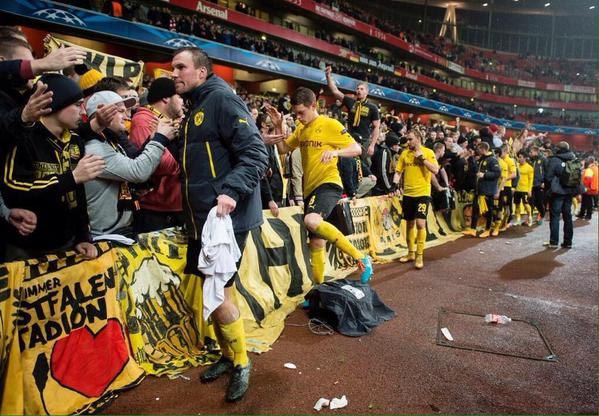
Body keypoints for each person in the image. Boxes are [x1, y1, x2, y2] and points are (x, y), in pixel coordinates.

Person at [171, 47, 268, 402]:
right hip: (202, 219)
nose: (174, 74)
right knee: (212, 289)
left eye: (180, 67)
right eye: (172, 68)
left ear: (201, 72)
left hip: (226, 218)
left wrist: (230, 191)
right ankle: (228, 355)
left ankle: (241, 362)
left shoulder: (222, 100)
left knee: (220, 290)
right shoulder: (196, 106)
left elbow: (256, 154)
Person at [265, 87, 373, 284]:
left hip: (328, 184)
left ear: (313, 105)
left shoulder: (329, 124)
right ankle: (318, 290)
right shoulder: (301, 128)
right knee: (316, 243)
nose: (298, 117)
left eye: (301, 112)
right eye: (296, 113)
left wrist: (336, 152)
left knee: (312, 221)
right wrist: (279, 125)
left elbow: (357, 148)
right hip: (310, 190)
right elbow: (283, 149)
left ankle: (361, 257)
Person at [1, 73, 105, 260]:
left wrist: (83, 236)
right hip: (26, 247)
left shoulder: (75, 140)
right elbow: (13, 189)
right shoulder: (24, 136)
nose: (83, 111)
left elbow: (77, 195)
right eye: (77, 104)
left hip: (67, 242)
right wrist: (71, 178)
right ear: (56, 104)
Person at [84, 90, 177, 238]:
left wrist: (151, 139)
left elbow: (132, 162)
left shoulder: (111, 142)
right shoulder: (95, 148)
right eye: (120, 111)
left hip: (117, 230)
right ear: (101, 113)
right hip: (104, 235)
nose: (127, 116)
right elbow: (138, 172)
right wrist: (159, 139)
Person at [129, 77, 185, 232]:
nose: (183, 102)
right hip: (155, 210)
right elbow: (164, 165)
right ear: (166, 98)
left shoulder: (171, 122)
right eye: (179, 97)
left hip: (174, 205)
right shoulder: (144, 120)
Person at [392, 129, 439, 269]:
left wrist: (422, 160)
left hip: (422, 193)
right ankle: (411, 253)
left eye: (410, 139)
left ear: (418, 138)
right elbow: (398, 172)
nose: (408, 142)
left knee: (420, 224)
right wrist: (394, 185)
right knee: (409, 224)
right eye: (407, 139)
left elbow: (435, 170)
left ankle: (419, 255)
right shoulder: (405, 153)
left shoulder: (428, 152)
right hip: (408, 194)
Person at [325, 66, 380, 165]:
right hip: (350, 138)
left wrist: (372, 145)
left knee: (364, 165)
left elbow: (376, 127)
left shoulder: (373, 108)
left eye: (362, 89)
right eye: (357, 89)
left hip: (364, 140)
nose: (359, 91)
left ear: (367, 92)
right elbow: (335, 91)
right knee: (347, 163)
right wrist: (328, 76)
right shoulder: (350, 101)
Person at [462, 142, 501, 238]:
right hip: (479, 190)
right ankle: (473, 230)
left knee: (488, 211)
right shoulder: (482, 159)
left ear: (484, 149)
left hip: (488, 191)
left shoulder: (492, 160)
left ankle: (488, 229)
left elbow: (497, 173)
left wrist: (485, 175)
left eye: (479, 149)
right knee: (475, 210)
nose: (477, 151)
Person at [544, 141, 578, 248]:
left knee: (555, 217)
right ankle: (568, 242)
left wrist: (549, 189)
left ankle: (554, 242)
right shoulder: (573, 158)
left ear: (558, 149)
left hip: (557, 193)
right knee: (567, 217)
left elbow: (548, 177)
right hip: (569, 192)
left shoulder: (554, 160)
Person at [513, 150, 534, 226]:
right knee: (517, 205)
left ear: (525, 158)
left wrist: (529, 190)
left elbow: (531, 180)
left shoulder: (529, 168)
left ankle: (530, 218)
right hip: (517, 189)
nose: (519, 159)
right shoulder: (517, 166)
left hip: (525, 190)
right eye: (518, 157)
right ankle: (518, 220)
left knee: (526, 205)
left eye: (520, 157)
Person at [529, 146, 547, 225]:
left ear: (536, 152)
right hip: (532, 184)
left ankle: (541, 215)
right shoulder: (531, 160)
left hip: (540, 184)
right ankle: (530, 217)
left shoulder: (543, 159)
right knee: (532, 201)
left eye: (531, 152)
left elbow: (547, 171)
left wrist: (544, 182)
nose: (530, 153)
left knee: (539, 201)